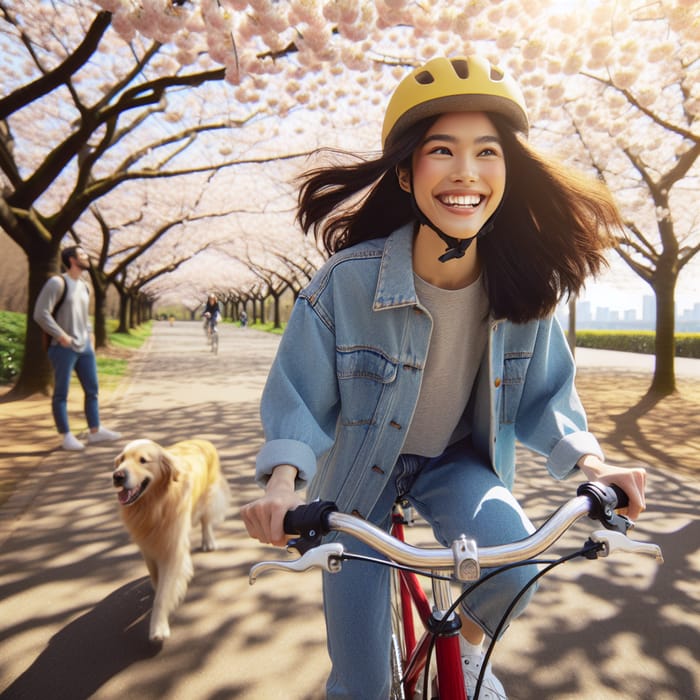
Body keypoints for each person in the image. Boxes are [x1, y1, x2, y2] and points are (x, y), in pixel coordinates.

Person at [241, 55, 647, 699]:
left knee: (515, 561)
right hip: (357, 478)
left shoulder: (524, 288)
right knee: (363, 684)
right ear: (406, 172)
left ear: (508, 172)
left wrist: (595, 471)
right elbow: (300, 398)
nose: (466, 172)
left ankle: (460, 653)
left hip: (455, 462)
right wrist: (286, 488)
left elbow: (549, 400)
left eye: (488, 151)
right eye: (442, 151)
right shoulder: (347, 282)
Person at [33, 245, 122, 451]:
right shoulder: (57, 282)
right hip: (62, 347)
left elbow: (84, 315)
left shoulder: (85, 285)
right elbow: (40, 313)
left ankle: (95, 431)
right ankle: (66, 436)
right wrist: (60, 335)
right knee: (61, 393)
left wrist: (90, 334)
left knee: (92, 390)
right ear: (72, 260)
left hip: (85, 348)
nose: (87, 258)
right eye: (82, 255)